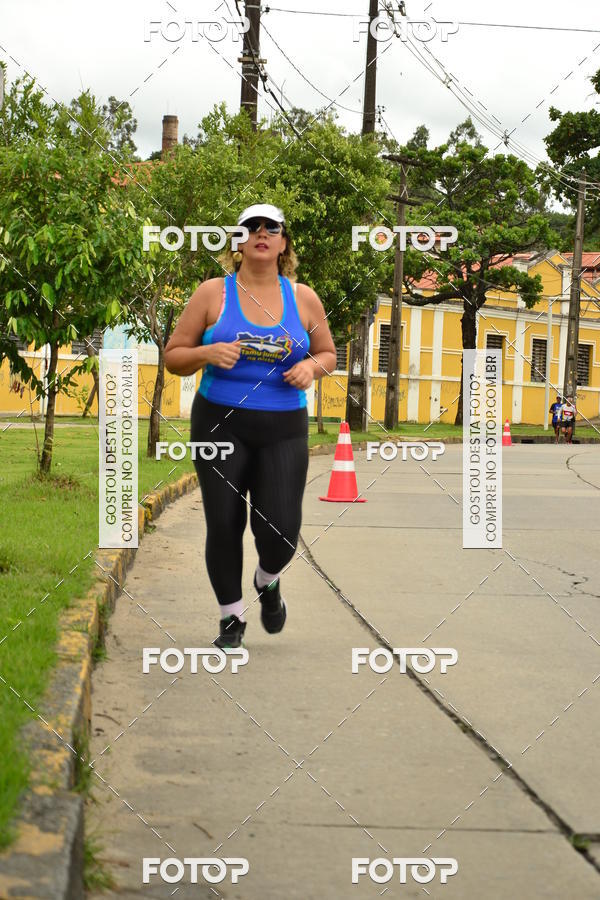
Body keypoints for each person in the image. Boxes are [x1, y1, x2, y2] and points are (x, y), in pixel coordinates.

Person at [164, 204, 336, 648]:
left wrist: (311, 370)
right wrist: (206, 353)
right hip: (219, 422)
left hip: (283, 426)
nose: (260, 233)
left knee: (280, 530)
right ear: (238, 243)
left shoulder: (303, 298)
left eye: (270, 228)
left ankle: (268, 580)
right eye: (250, 227)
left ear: (283, 243)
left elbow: (328, 353)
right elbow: (173, 355)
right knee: (223, 522)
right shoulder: (211, 295)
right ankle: (231, 618)